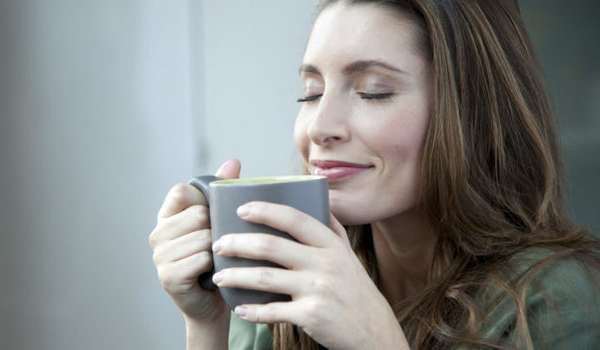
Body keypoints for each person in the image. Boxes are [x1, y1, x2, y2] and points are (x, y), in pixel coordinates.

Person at [149, 0, 600, 349]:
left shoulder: (551, 300)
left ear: (471, 113)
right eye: (311, 93)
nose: (320, 127)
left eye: (372, 92)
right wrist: (207, 325)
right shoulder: (278, 277)